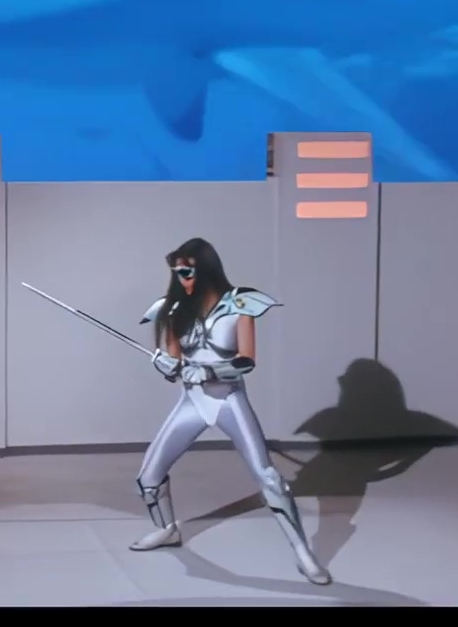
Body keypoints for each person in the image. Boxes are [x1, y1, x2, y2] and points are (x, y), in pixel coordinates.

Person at [132, 237, 331, 586]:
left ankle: (304, 554)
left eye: (187, 271)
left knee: (269, 479)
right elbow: (176, 364)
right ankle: (167, 529)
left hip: (229, 401)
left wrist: (209, 371)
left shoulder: (240, 304)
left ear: (206, 268)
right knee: (148, 478)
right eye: (177, 272)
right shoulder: (175, 310)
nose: (181, 279)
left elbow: (247, 360)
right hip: (192, 403)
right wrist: (167, 366)